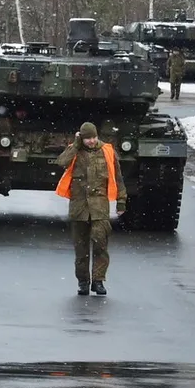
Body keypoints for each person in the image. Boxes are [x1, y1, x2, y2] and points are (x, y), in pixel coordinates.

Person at [56, 122, 126, 296]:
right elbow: (61, 162)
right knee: (81, 249)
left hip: (99, 207)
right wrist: (75, 145)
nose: (91, 141)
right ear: (82, 138)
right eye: (87, 138)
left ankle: (98, 281)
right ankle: (83, 282)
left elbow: (117, 178)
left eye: (93, 137)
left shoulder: (107, 151)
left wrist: (121, 201)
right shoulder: (74, 150)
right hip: (79, 207)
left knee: (100, 244)